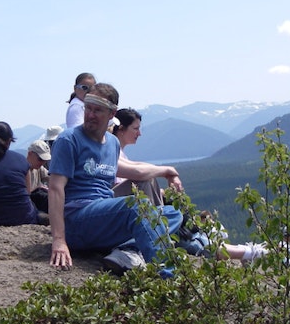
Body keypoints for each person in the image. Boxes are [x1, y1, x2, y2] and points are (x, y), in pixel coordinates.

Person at [48, 83, 183, 274]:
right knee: (138, 207)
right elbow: (55, 188)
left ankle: (127, 249)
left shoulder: (112, 143)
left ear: (112, 114)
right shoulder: (69, 140)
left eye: (98, 110)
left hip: (102, 219)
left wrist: (169, 172)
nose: (90, 115)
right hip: (77, 221)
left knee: (172, 214)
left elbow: (134, 171)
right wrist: (59, 240)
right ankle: (170, 278)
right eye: (88, 108)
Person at [111, 107, 169, 206]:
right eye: (135, 129)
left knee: (149, 178)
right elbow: (116, 184)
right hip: (111, 200)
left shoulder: (120, 153)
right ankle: (156, 217)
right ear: (121, 129)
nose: (139, 133)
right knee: (144, 181)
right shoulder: (113, 150)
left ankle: (159, 214)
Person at [27, 139, 51, 215]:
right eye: (40, 159)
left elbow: (51, 178)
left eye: (45, 160)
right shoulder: (21, 170)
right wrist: (38, 188)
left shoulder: (39, 168)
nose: (43, 163)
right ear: (30, 154)